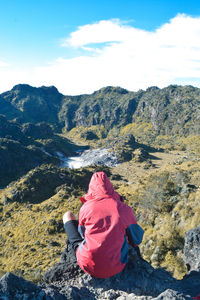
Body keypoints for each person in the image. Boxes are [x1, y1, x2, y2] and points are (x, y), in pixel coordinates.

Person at [63, 171, 144, 278]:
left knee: (67, 215)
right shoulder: (125, 209)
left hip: (87, 264)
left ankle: (77, 250)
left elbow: (83, 234)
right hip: (117, 266)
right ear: (110, 187)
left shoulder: (86, 208)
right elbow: (136, 239)